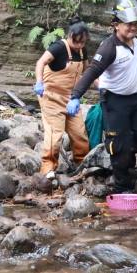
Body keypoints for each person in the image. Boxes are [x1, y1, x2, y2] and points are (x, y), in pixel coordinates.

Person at [67, 0, 137, 193]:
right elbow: (91, 72)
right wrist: (75, 96)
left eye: (135, 23)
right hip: (115, 102)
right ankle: (121, 188)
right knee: (119, 145)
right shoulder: (109, 47)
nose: (133, 27)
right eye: (128, 24)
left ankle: (124, 156)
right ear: (116, 24)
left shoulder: (136, 42)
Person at [32, 20, 91, 179]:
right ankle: (48, 168)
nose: (79, 45)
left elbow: (87, 74)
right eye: (76, 42)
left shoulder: (82, 51)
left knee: (79, 133)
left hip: (72, 98)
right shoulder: (58, 47)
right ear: (70, 36)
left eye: (82, 42)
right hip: (51, 96)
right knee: (55, 133)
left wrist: (104, 86)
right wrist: (39, 82)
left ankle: (81, 164)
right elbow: (41, 62)